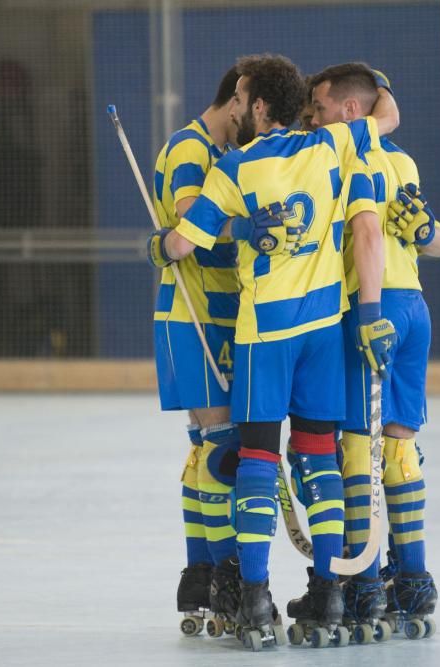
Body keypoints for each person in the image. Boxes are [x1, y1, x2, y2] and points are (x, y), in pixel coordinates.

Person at [147, 52, 396, 650]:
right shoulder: (332, 144)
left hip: (264, 336)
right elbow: (385, 113)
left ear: (257, 107)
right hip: (322, 332)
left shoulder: (233, 169)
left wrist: (157, 247)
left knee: (257, 461)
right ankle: (330, 590)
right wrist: (370, 83)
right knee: (319, 459)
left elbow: (182, 242)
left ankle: (255, 597)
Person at [308, 63, 440, 641]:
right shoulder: (404, 160)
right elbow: (436, 243)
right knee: (402, 444)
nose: (311, 117)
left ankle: (363, 585)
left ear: (348, 112)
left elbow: (367, 235)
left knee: (358, 448)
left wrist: (366, 312)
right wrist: (426, 231)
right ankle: (411, 580)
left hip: (376, 306)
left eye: (318, 106)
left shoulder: (352, 157)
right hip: (416, 305)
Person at [147, 65, 244, 634]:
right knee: (221, 447)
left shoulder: (212, 147)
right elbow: (189, 223)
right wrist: (250, 224)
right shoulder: (191, 148)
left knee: (206, 446)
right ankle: (220, 576)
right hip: (195, 313)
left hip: (212, 313)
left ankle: (201, 575)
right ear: (236, 101)